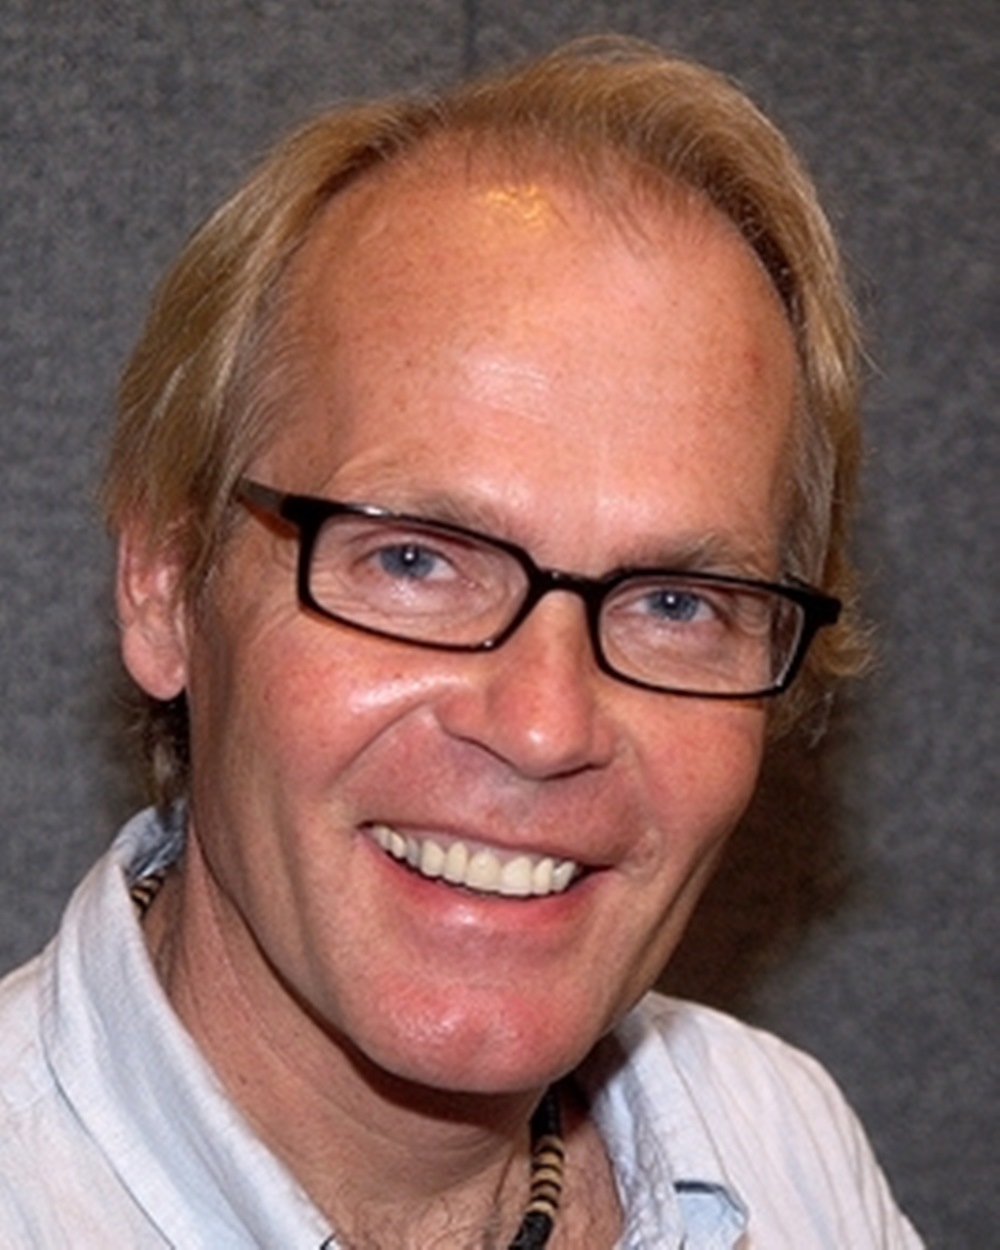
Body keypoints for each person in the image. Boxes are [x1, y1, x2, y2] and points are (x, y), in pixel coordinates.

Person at [0, 34, 922, 1249]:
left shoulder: (780, 1145)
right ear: (167, 583)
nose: (543, 725)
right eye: (414, 560)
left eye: (674, 602)